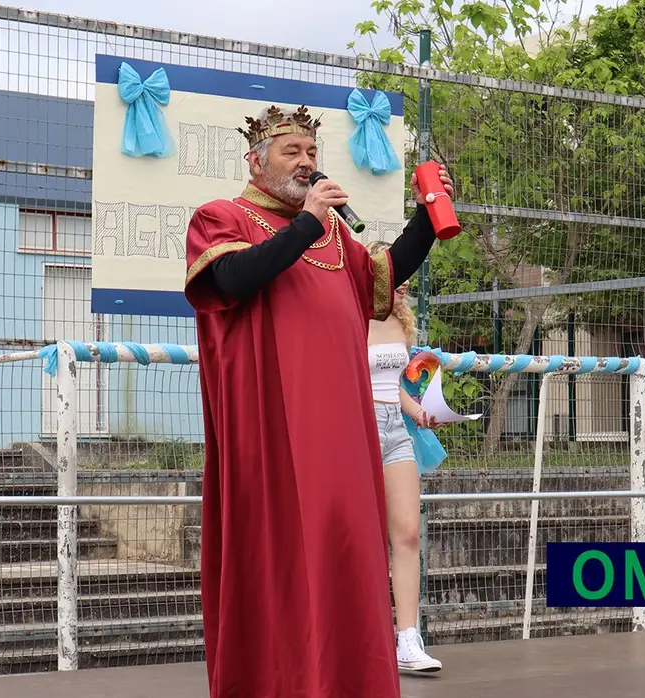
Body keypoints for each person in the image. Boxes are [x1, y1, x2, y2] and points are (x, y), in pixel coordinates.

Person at [183, 103, 454, 697]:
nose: (306, 162)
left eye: (311, 153)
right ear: (256, 161)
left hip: (339, 432)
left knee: (346, 555)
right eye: (292, 152)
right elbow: (232, 281)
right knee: (275, 558)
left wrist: (428, 219)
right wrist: (305, 221)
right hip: (269, 431)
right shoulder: (221, 217)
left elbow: (381, 278)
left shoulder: (332, 232)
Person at [364, 250, 445, 674]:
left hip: (395, 427)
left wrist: (419, 412)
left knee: (408, 533)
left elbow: (390, 385)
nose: (402, 286)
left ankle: (407, 639)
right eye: (394, 277)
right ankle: (361, 636)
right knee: (360, 539)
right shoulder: (352, 314)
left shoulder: (399, 320)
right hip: (355, 426)